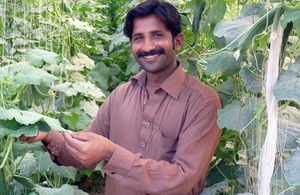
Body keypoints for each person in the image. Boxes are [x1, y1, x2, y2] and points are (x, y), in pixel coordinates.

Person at [19, 0, 222, 194]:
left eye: (157, 35)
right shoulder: (120, 95)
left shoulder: (203, 102)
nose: (148, 46)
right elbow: (84, 156)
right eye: (138, 38)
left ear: (177, 42)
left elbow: (182, 180)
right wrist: (47, 135)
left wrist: (111, 153)